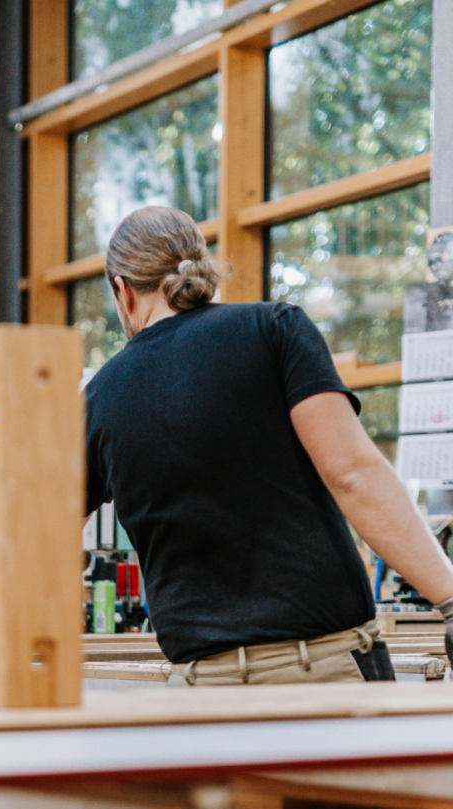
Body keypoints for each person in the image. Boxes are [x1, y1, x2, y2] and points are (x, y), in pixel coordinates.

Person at [85, 206, 453, 685]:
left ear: (122, 290)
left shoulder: (99, 397)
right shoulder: (274, 330)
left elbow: (45, 535)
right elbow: (353, 476)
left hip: (200, 691)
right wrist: (448, 597)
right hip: (323, 672)